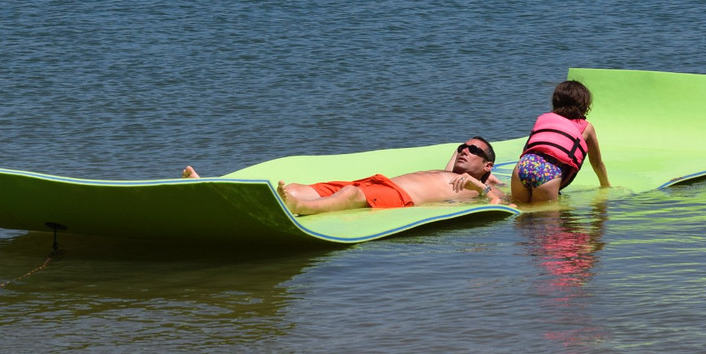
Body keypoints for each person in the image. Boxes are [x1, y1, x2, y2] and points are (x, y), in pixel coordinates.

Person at [184, 137, 509, 216]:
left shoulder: (480, 184)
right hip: (379, 181)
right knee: (301, 186)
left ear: (488, 166)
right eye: (463, 147)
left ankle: (300, 209)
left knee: (353, 197)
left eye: (474, 151)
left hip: (400, 197)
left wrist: (480, 187)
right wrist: (467, 158)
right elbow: (460, 151)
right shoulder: (451, 168)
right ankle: (214, 189)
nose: (465, 151)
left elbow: (503, 204)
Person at [512, 80, 610, 204]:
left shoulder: (545, 120)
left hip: (522, 167)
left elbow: (528, 149)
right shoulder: (586, 127)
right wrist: (605, 185)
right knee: (545, 219)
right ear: (584, 105)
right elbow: (597, 163)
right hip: (548, 173)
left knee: (519, 210)